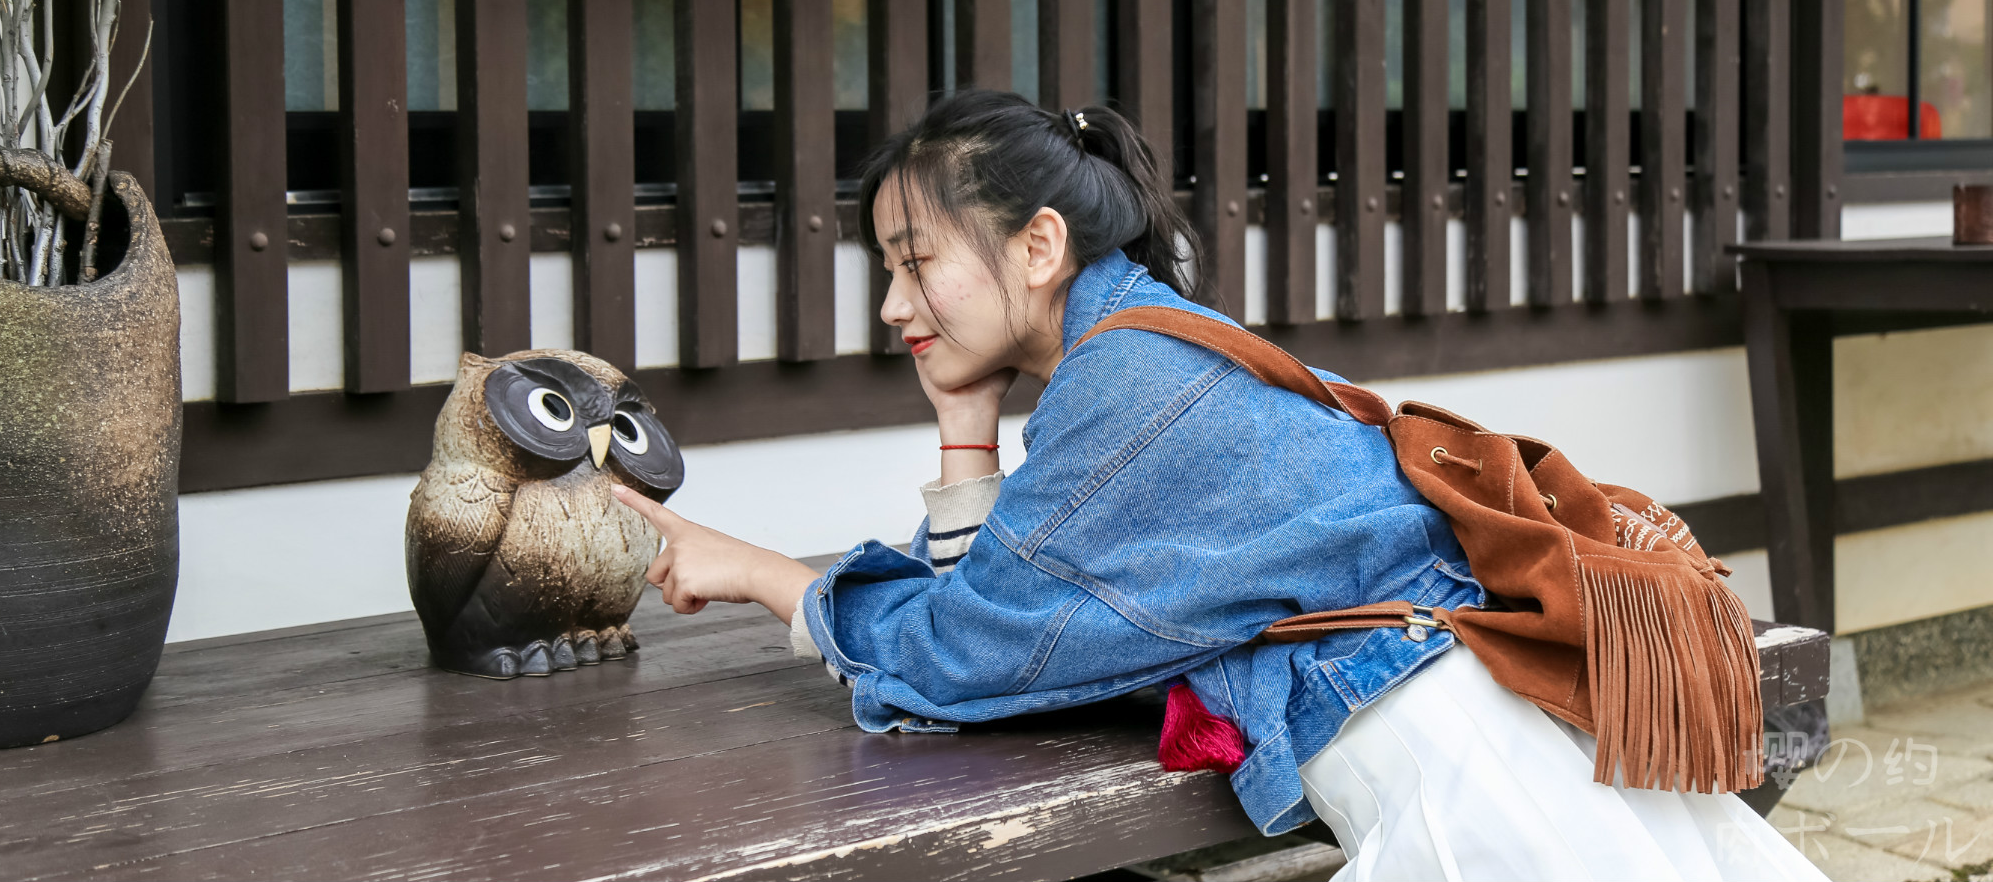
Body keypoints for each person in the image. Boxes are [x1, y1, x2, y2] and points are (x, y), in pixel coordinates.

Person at [612, 89, 1823, 881]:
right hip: (1479, 713)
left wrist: (761, 575)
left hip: (1445, 753)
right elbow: (1011, 612)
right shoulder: (1149, 344)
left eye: (915, 261)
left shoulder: (1124, 386)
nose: (891, 306)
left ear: (1038, 246)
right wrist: (965, 437)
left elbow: (964, 654)